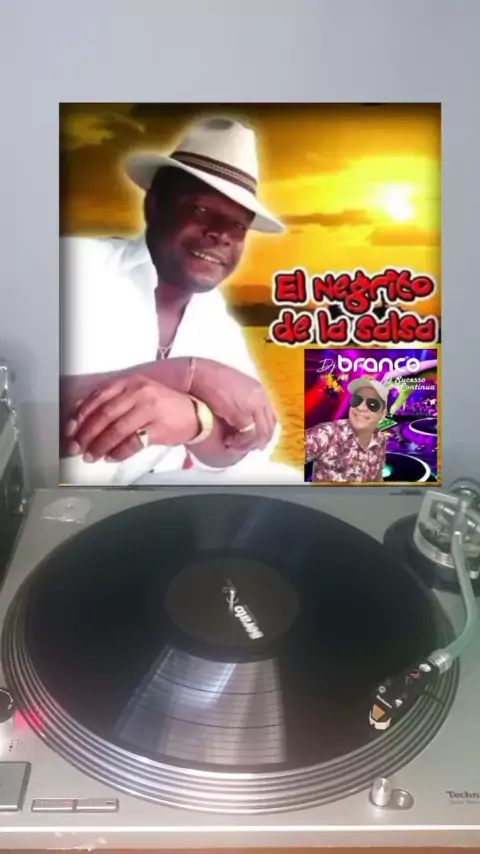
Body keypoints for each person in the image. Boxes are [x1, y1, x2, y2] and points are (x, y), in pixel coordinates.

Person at [60, 117, 303, 485]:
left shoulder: (216, 321)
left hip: (143, 499)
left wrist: (195, 420)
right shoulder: (71, 266)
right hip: (44, 499)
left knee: (289, 483)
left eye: (238, 226)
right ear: (155, 205)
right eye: (201, 210)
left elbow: (245, 444)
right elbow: (13, 402)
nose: (221, 234)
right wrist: (189, 375)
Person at [305, 378, 388, 483]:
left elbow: (378, 478)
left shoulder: (380, 439)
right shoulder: (327, 434)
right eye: (357, 400)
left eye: (372, 404)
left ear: (383, 414)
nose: (361, 408)